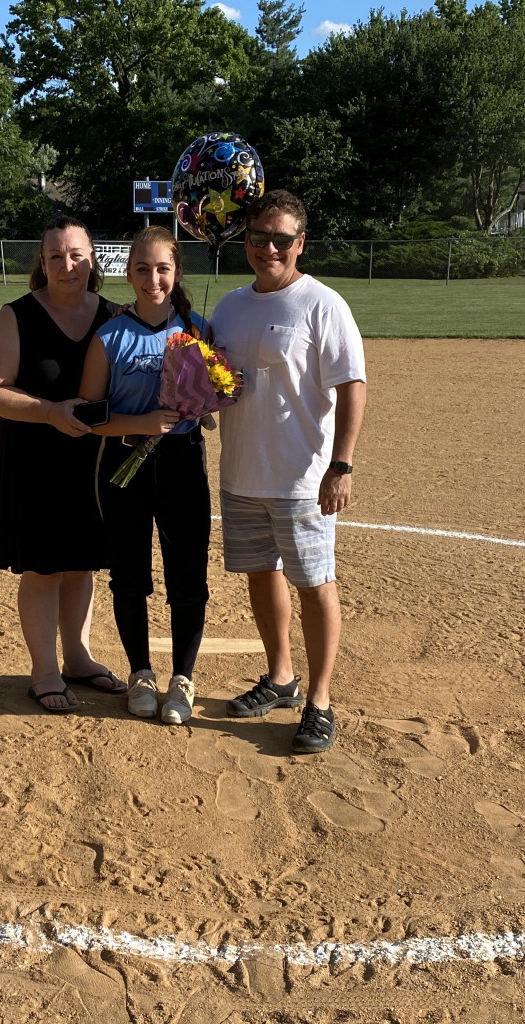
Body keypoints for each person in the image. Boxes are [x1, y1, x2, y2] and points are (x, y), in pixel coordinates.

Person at [210, 189, 367, 753]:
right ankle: (280, 678)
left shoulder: (323, 304)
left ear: (300, 243)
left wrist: (341, 465)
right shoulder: (228, 307)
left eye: (281, 239)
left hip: (301, 477)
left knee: (315, 585)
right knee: (261, 576)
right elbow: (213, 380)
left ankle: (320, 701)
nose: (269, 248)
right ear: (246, 239)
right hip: (241, 474)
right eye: (259, 237)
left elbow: (352, 386)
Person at [0, 215, 125, 713]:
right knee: (42, 568)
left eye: (77, 254)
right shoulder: (17, 315)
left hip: (93, 460)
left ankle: (78, 657)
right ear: (42, 262)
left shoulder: (113, 315)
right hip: (33, 458)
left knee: (81, 564)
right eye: (56, 256)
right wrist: (49, 412)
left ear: (93, 258)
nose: (67, 264)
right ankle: (44, 670)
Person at [79, 226, 211, 725]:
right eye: (142, 269)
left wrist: (207, 401)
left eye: (162, 268)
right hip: (125, 463)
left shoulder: (197, 329)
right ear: (128, 273)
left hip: (182, 463)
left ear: (176, 272)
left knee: (187, 576)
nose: (152, 279)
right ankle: (140, 673)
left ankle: (182, 678)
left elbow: (214, 395)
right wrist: (138, 423)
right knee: (130, 574)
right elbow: (89, 415)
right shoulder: (110, 335)